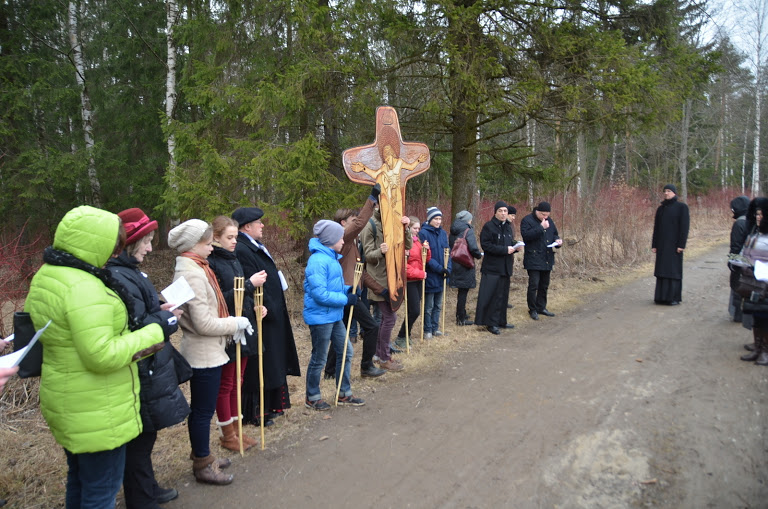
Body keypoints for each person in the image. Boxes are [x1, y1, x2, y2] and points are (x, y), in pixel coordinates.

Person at [24, 205, 166, 507]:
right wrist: (157, 330)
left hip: (67, 399)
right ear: (95, 242)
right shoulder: (85, 288)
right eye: (113, 243)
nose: (115, 252)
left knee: (80, 481)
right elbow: (102, 354)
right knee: (102, 491)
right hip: (98, 409)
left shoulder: (49, 275)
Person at [106, 208, 189, 508]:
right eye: (146, 241)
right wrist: (166, 321)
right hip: (143, 367)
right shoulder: (121, 276)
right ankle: (141, 498)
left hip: (150, 365)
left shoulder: (128, 273)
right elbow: (135, 324)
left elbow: (141, 314)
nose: (151, 248)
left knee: (146, 434)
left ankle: (147, 489)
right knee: (140, 437)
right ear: (129, 242)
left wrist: (159, 311)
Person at [169, 219, 253, 486]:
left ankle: (202, 454)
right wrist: (235, 322)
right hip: (202, 353)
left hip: (211, 350)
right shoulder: (192, 272)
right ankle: (203, 463)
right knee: (203, 411)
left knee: (203, 410)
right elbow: (203, 323)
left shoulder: (197, 267)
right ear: (193, 245)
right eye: (207, 244)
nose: (211, 248)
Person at [233, 207, 301, 426]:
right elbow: (245, 284)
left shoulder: (254, 246)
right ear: (247, 227)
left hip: (271, 313)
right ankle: (257, 412)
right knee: (261, 365)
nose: (262, 226)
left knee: (273, 361)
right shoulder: (243, 250)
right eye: (258, 223)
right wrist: (260, 306)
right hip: (261, 314)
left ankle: (273, 405)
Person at [207, 216, 268, 452]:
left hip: (243, 326)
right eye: (229, 237)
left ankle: (237, 428)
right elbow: (220, 298)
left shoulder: (233, 259)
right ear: (216, 238)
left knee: (238, 382)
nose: (234, 241)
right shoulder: (212, 263)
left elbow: (243, 294)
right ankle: (227, 433)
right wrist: (250, 285)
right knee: (227, 383)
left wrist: (254, 306)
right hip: (227, 329)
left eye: (235, 237)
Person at [324, 186, 387, 379]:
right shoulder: (341, 238)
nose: (356, 225)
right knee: (371, 326)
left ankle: (329, 371)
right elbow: (360, 223)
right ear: (343, 223)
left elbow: (359, 272)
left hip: (351, 292)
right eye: (351, 221)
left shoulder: (350, 244)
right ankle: (366, 366)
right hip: (344, 293)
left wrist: (380, 290)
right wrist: (372, 197)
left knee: (339, 332)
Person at [304, 220, 366, 410]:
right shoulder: (317, 261)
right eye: (340, 238)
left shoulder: (331, 258)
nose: (342, 241)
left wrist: (349, 290)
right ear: (330, 240)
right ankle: (312, 396)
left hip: (333, 315)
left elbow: (333, 287)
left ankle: (343, 392)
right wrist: (345, 300)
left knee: (346, 351)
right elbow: (319, 294)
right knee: (320, 358)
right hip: (320, 317)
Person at [361, 205, 410, 371]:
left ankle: (380, 353)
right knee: (389, 318)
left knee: (386, 319)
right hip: (379, 281)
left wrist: (406, 228)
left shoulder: (395, 221)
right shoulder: (370, 225)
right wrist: (380, 252)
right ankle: (384, 357)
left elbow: (407, 245)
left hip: (394, 278)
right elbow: (367, 254)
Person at [475, 201, 523, 335]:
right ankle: (491, 323)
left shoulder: (508, 226)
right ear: (495, 212)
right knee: (492, 296)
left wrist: (516, 247)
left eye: (505, 211)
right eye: (500, 211)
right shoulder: (489, 227)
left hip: (506, 266)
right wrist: (504, 250)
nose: (503, 213)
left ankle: (501, 320)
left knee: (503, 295)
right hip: (492, 267)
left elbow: (508, 244)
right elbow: (486, 246)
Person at [520, 202, 563, 320]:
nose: (545, 217)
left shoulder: (550, 221)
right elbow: (526, 236)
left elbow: (555, 234)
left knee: (544, 285)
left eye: (547, 215)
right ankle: (532, 309)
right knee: (534, 285)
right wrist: (541, 227)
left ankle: (541, 307)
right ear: (537, 211)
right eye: (543, 214)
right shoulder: (527, 220)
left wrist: (558, 241)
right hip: (533, 258)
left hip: (547, 257)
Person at [737, 206, 768, 365]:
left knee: (766, 315)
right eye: (757, 214)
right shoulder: (755, 234)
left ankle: (766, 351)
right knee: (757, 314)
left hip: (766, 282)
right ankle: (758, 347)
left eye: (761, 215)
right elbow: (746, 253)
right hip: (754, 281)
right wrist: (740, 263)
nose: (758, 217)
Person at [394, 216, 431, 347]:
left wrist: (427, 250)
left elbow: (425, 260)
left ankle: (406, 335)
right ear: (408, 228)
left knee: (413, 311)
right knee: (414, 311)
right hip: (409, 280)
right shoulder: (405, 242)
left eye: (418, 228)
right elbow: (404, 265)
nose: (417, 230)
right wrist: (420, 273)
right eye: (415, 228)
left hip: (418, 280)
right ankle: (401, 336)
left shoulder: (418, 241)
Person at [651, 184, 690, 305]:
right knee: (662, 270)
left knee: (673, 271)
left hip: (674, 246)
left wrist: (681, 245)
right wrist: (654, 244)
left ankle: (673, 297)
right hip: (662, 245)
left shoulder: (681, 207)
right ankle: (661, 297)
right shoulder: (661, 209)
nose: (666, 193)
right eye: (665, 191)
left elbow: (684, 227)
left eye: (669, 191)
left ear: (674, 193)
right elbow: (656, 228)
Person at [419, 207, 451, 338]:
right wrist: (439, 268)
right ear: (430, 219)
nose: (438, 221)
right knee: (429, 305)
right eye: (435, 219)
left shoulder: (443, 233)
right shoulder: (423, 233)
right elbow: (425, 256)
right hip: (431, 274)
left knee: (438, 304)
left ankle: (435, 327)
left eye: (440, 219)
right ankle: (427, 329)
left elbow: (447, 251)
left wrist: (448, 268)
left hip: (442, 275)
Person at [449, 210, 482, 326]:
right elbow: (473, 247)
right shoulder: (468, 230)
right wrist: (479, 255)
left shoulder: (453, 230)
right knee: (463, 291)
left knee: (461, 291)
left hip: (455, 262)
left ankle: (462, 313)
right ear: (468, 219)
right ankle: (461, 318)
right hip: (465, 263)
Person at [729, 196, 751, 322]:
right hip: (752, 261)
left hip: (741, 262)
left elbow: (735, 246)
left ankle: (739, 315)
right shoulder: (752, 221)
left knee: (737, 286)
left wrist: (731, 262)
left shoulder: (739, 223)